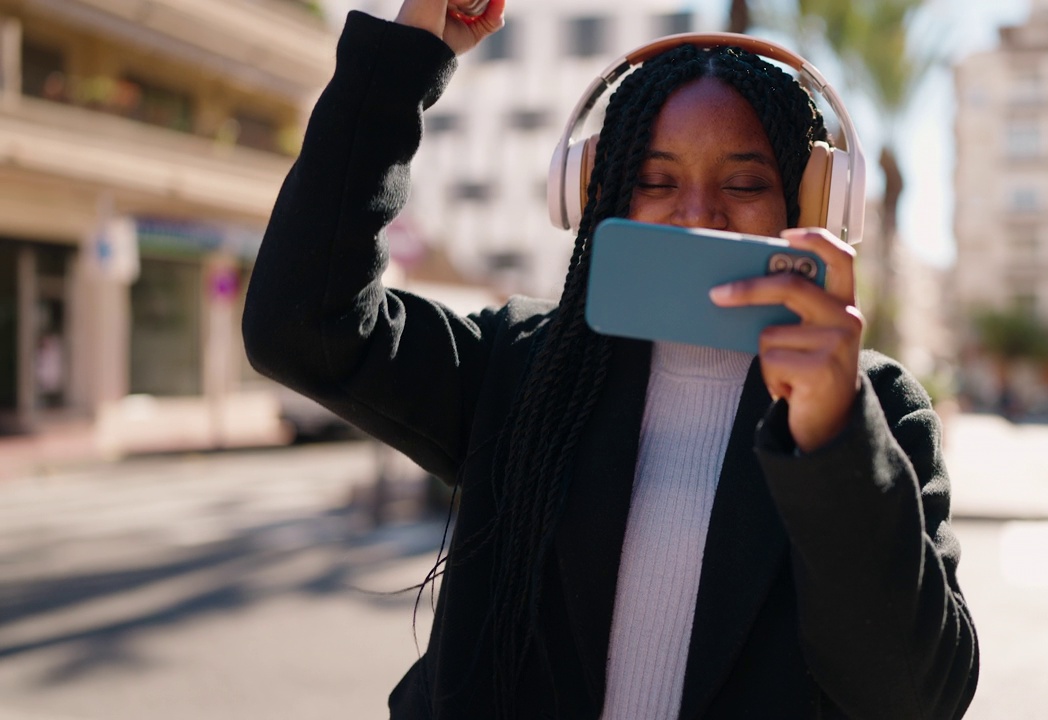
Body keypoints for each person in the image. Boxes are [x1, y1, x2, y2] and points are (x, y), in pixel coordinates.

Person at [241, 0, 979, 717]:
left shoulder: (873, 406)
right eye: (654, 180)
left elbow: (915, 697)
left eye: (746, 183)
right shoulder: (523, 365)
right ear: (595, 195)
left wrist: (833, 437)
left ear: (813, 201)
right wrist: (406, 58)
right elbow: (302, 323)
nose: (697, 213)